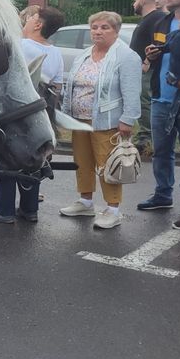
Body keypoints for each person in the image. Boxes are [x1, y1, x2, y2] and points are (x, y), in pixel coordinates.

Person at [0, 6, 64, 224]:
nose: (24, 21)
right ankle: (29, 208)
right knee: (34, 159)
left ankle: (3, 209)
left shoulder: (21, 46)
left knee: (4, 156)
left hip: (17, 110)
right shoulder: (55, 51)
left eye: (30, 18)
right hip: (43, 107)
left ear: (38, 24)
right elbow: (58, 85)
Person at [59, 12, 141, 229]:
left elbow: (132, 92)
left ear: (116, 31)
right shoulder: (84, 54)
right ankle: (85, 202)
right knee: (82, 162)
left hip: (108, 121)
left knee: (108, 166)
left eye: (105, 27)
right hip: (79, 120)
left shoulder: (126, 56)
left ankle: (113, 209)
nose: (98, 31)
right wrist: (66, 113)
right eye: (94, 27)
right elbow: (72, 85)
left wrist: (128, 120)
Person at [137, 0, 180, 227]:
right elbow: (160, 49)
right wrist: (151, 54)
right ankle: (163, 194)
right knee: (162, 151)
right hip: (161, 96)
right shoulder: (164, 21)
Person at [129, 0, 165, 153]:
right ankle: (144, 134)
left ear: (142, 1)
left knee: (145, 101)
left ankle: (146, 137)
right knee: (142, 100)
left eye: (135, 0)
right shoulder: (147, 19)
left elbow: (158, 44)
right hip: (139, 68)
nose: (133, 4)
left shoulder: (156, 18)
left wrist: (148, 61)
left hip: (148, 70)